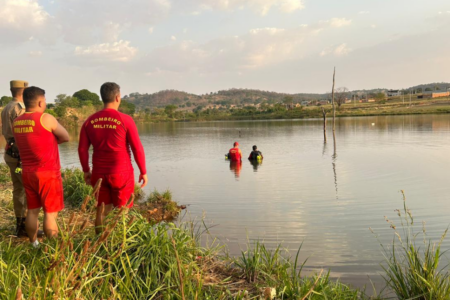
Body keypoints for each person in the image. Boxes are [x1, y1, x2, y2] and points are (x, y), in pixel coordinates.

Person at [78, 82, 147, 233]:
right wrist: (143, 171)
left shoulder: (89, 121)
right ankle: (121, 245)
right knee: (123, 211)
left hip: (99, 173)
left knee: (102, 210)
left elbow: (82, 149)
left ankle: (100, 243)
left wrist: (86, 170)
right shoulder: (125, 119)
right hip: (121, 173)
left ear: (103, 98)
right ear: (117, 97)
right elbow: (137, 148)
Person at [13, 86, 69, 247]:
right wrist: (52, 140)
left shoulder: (16, 122)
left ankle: (34, 243)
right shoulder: (46, 118)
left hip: (28, 172)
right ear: (39, 102)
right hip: (47, 172)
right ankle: (53, 248)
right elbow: (65, 136)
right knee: (50, 213)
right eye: (44, 100)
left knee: (32, 210)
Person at [1, 80, 35, 237]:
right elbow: (25, 133)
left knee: (18, 189)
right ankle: (27, 226)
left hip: (10, 153)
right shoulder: (19, 109)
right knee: (29, 189)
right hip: (21, 155)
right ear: (24, 91)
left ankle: (20, 225)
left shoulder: (6, 107)